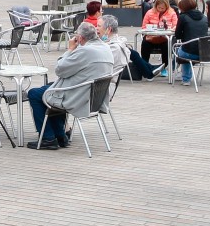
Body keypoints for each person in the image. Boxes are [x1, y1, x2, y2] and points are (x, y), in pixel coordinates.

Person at [26, 22, 114, 150]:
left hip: (78, 96)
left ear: (80, 38)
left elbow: (60, 69)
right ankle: (60, 136)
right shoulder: (105, 47)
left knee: (34, 93)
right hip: (93, 97)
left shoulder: (85, 51)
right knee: (50, 88)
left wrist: (70, 49)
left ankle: (48, 137)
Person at [99, 14, 159, 81]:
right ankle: (150, 71)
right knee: (135, 53)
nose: (96, 28)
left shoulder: (99, 23)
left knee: (134, 53)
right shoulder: (93, 26)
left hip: (112, 47)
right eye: (100, 10)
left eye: (98, 26)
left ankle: (150, 69)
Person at [173, 0, 209, 86]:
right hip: (205, 53)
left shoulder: (183, 17)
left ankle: (183, 77)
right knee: (187, 48)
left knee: (178, 50)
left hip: (188, 52)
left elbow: (177, 35)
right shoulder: (204, 17)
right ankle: (184, 75)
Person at [141, 0, 178, 76]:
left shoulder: (172, 13)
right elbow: (144, 26)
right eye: (159, 7)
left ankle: (164, 67)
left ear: (167, 7)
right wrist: (151, 29)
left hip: (165, 37)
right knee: (145, 44)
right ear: (156, 6)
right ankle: (144, 66)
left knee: (167, 46)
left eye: (163, 8)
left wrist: (169, 27)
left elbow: (175, 26)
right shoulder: (150, 12)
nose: (161, 9)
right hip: (151, 37)